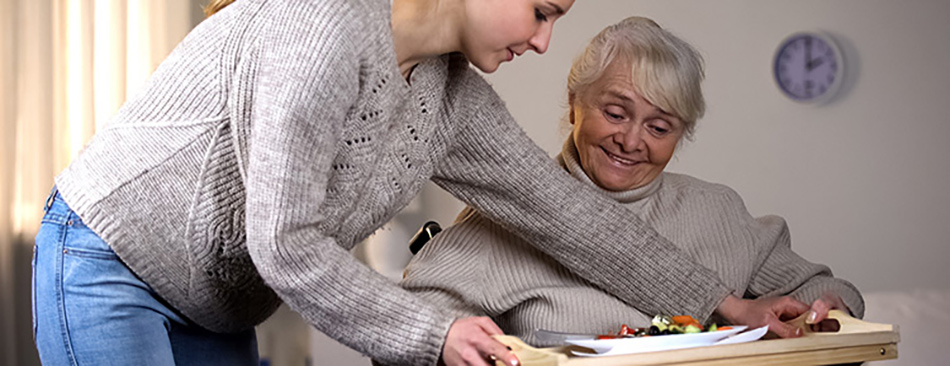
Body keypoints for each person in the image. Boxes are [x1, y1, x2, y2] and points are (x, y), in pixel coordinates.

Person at [32, 0, 788, 364]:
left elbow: (567, 214)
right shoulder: (324, 27)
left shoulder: (450, 95)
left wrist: (723, 302)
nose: (542, 40)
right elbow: (284, 241)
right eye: (538, 10)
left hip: (218, 304)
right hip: (112, 260)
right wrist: (433, 333)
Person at [400, 16, 864, 347]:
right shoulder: (498, 221)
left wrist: (827, 311)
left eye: (659, 128)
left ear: (682, 134)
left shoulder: (719, 212)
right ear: (574, 102)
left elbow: (827, 294)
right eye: (615, 113)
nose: (630, 140)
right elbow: (415, 323)